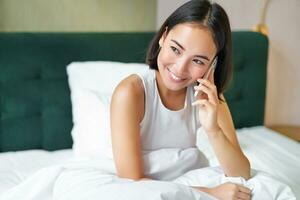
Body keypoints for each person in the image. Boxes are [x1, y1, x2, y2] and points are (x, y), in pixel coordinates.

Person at [110, 0, 251, 199]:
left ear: (213, 64)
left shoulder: (208, 97)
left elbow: (241, 173)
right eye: (176, 49)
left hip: (190, 177)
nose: (180, 68)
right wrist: (211, 193)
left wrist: (213, 129)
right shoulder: (130, 93)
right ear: (163, 37)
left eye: (198, 61)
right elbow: (131, 181)